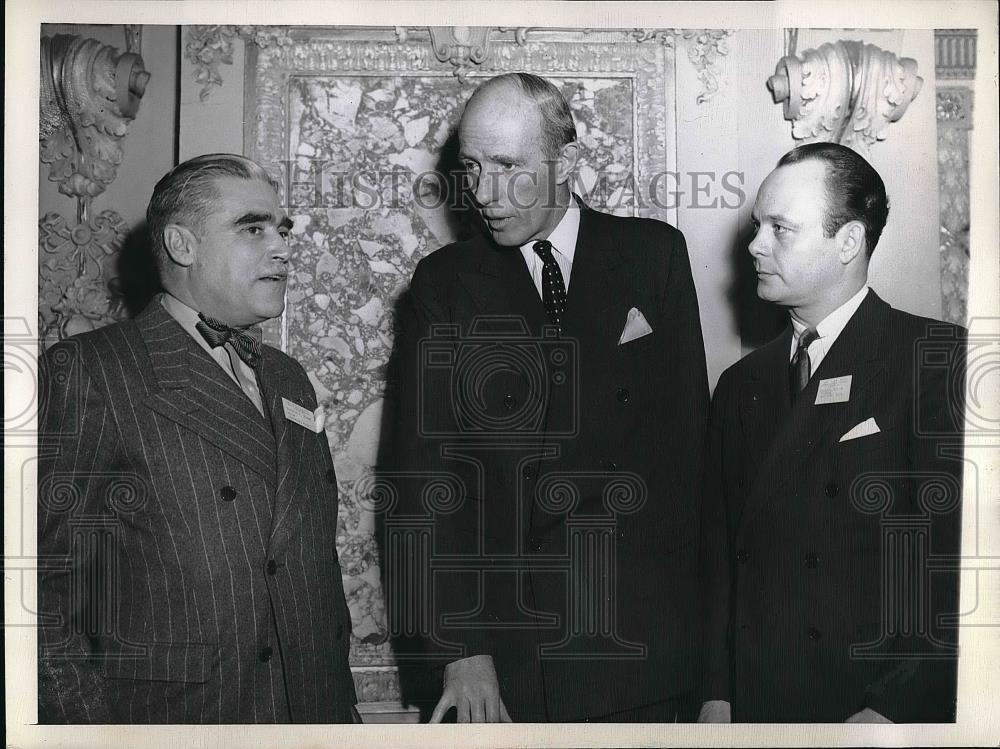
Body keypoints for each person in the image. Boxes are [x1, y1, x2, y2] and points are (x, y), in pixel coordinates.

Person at [387, 73, 710, 722]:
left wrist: (712, 673)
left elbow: (693, 467)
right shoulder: (444, 285)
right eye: (472, 167)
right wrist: (459, 647)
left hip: (641, 657)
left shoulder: (655, 256)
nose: (483, 193)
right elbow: (421, 479)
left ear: (569, 162)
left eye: (508, 166)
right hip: (506, 669)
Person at [37, 154, 358, 723]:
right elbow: (44, 592)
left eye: (281, 230)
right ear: (183, 246)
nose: (282, 248)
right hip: (184, 715)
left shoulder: (288, 376)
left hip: (311, 710)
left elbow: (310, 559)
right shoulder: (93, 370)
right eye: (252, 228)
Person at [699, 142, 965, 723]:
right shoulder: (741, 383)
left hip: (872, 705)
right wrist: (716, 694)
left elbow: (957, 569)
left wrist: (893, 707)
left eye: (780, 229)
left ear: (848, 241)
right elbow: (721, 558)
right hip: (757, 704)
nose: (754, 246)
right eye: (755, 225)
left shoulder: (936, 359)